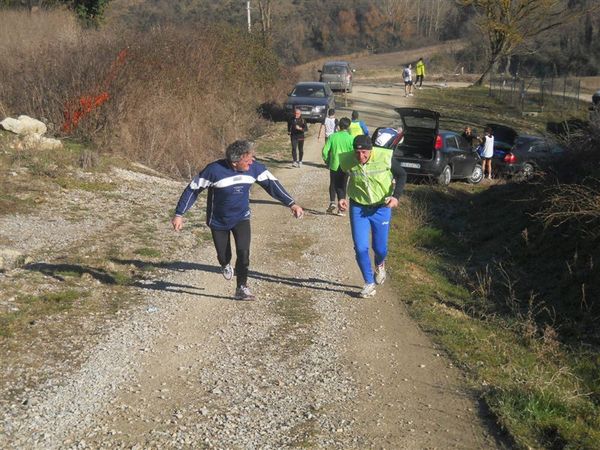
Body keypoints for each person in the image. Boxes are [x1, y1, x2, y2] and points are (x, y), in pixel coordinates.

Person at [171, 140, 304, 301]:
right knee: (223, 254)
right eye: (247, 160)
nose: (252, 162)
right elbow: (192, 190)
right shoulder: (214, 170)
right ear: (235, 163)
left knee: (244, 253)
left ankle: (241, 287)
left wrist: (292, 203)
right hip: (218, 221)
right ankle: (225, 264)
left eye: (251, 158)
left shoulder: (254, 168)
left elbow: (272, 185)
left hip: (241, 217)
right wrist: (179, 214)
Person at [336, 135, 407, 298]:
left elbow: (402, 175)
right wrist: (341, 196)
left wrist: (396, 196)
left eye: (364, 152)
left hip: (381, 208)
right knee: (360, 247)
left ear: (371, 150)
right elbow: (339, 177)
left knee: (380, 248)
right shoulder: (348, 159)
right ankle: (368, 283)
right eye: (357, 152)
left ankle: (380, 264)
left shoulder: (384, 156)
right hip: (358, 207)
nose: (361, 156)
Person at [322, 117, 353, 215]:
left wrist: (326, 160)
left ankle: (332, 202)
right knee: (343, 186)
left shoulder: (332, 136)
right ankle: (341, 208)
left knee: (333, 184)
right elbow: (353, 153)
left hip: (334, 164)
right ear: (348, 126)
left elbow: (324, 151)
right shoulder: (351, 138)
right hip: (346, 165)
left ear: (339, 126)